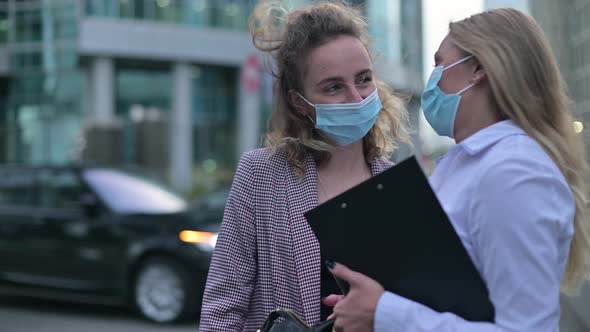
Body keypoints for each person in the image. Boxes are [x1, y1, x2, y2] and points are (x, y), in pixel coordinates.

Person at [322, 7, 590, 332]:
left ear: (478, 68)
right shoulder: (467, 163)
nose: (433, 76)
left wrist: (384, 313)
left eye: (439, 63)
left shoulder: (514, 173)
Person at [198, 1, 410, 331]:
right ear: (300, 102)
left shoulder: (398, 188)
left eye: (364, 79)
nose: (356, 98)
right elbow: (222, 307)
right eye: (334, 87)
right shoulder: (261, 174)